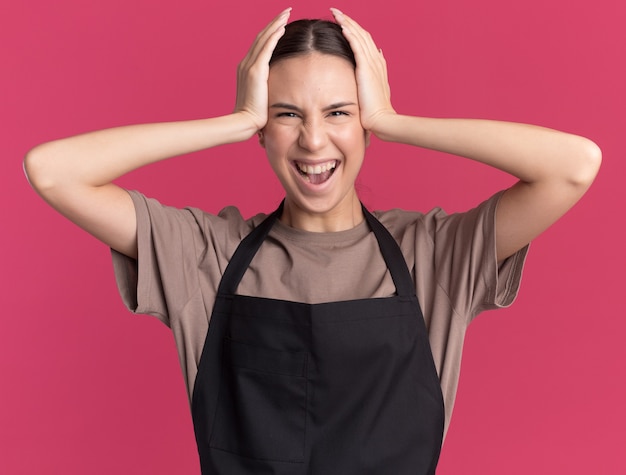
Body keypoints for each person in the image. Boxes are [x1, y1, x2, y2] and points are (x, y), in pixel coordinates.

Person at [24, 7, 601, 474]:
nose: (314, 140)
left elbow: (574, 165)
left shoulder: (433, 256)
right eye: (286, 115)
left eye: (339, 112)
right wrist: (233, 120)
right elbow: (52, 170)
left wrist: (393, 119)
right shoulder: (204, 256)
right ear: (263, 132)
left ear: (364, 125)